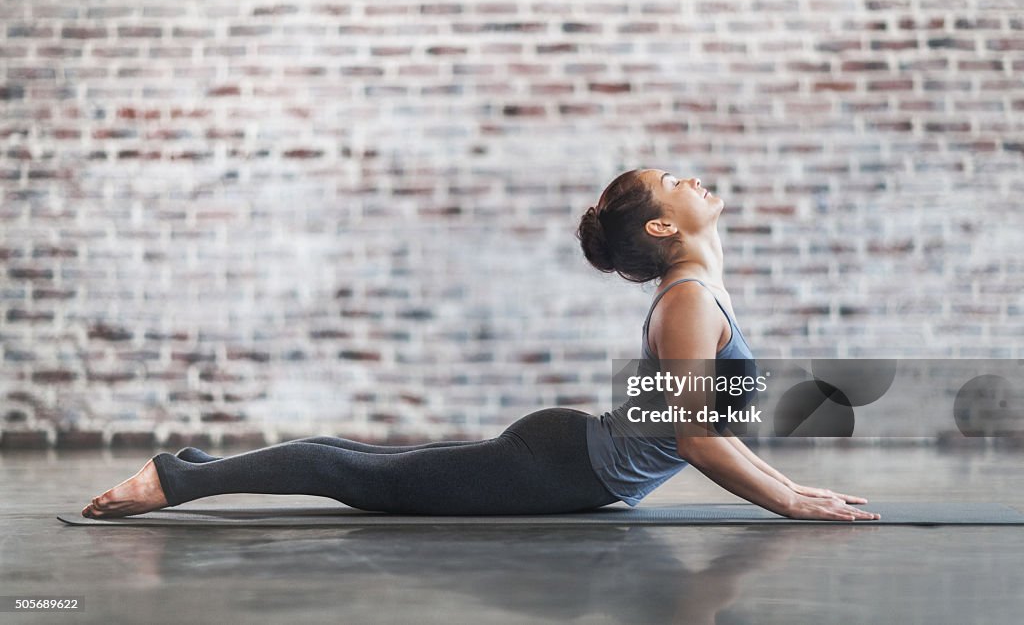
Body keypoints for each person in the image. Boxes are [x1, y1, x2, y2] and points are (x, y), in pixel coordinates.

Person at [82, 168, 878, 521]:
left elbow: (704, 427)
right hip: (563, 464)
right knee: (363, 478)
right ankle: (172, 482)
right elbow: (700, 441)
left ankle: (184, 470)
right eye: (676, 181)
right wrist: (788, 502)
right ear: (665, 227)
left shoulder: (699, 297)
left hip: (569, 456)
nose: (695, 179)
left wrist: (797, 490)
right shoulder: (687, 305)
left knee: (371, 467)